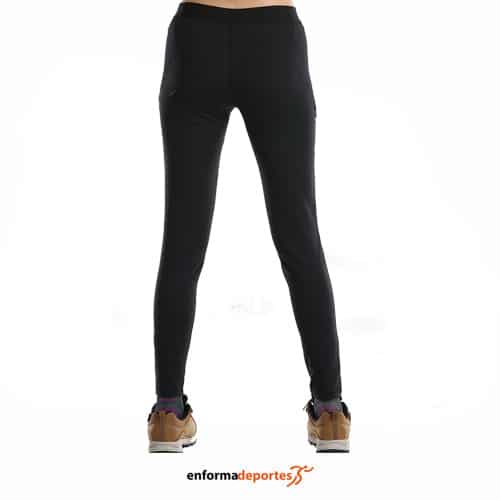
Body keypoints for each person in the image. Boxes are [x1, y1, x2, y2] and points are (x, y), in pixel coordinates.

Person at [147, 0, 351, 453]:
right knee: (299, 232)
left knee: (182, 238)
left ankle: (167, 414)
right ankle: (330, 413)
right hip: (275, 40)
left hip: (196, 38)